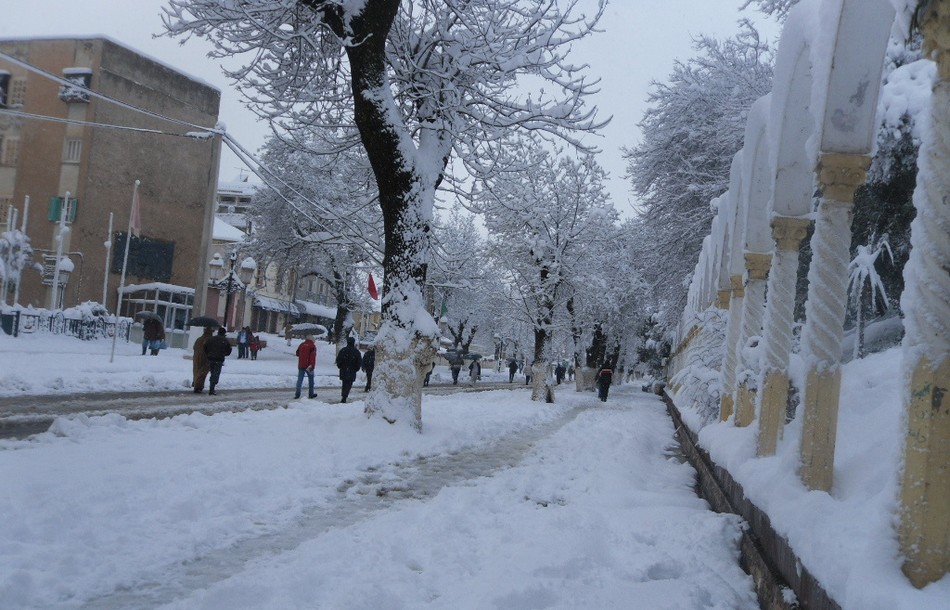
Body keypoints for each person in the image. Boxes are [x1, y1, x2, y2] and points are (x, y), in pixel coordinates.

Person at [203, 327, 233, 395]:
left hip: (211, 358)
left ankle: (211, 387)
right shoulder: (224, 340)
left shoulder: (211, 339)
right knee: (215, 374)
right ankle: (212, 389)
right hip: (218, 359)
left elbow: (205, 346)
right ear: (224, 333)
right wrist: (224, 354)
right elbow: (229, 350)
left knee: (212, 372)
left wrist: (208, 354)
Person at [335, 336, 362, 403]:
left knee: (344, 383)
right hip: (352, 370)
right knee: (349, 384)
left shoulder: (343, 350)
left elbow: (338, 360)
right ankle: (345, 396)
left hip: (344, 370)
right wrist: (356, 368)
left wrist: (340, 366)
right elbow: (359, 362)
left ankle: (344, 395)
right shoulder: (356, 352)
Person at [191, 326, 214, 393]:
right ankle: (198, 386)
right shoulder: (210, 340)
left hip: (196, 357)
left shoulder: (199, 339)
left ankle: (196, 384)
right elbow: (210, 349)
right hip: (206, 357)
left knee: (196, 371)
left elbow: (194, 347)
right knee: (202, 372)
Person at [295, 334, 317, 399]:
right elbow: (313, 357)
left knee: (300, 380)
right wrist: (312, 366)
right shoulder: (312, 346)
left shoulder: (301, 345)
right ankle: (311, 394)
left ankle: (297, 394)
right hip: (309, 366)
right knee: (311, 380)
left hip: (301, 365)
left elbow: (297, 353)